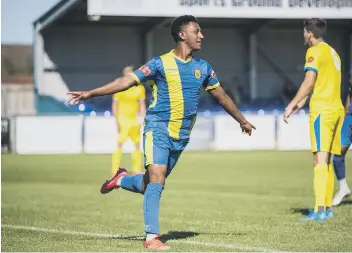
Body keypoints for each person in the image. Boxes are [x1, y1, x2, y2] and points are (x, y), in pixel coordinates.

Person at [67, 15, 256, 249]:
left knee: (150, 184)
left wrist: (243, 120)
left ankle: (121, 179)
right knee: (157, 177)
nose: (202, 36)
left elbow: (222, 97)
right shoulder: (159, 64)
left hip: (181, 136)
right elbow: (127, 81)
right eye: (197, 31)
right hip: (157, 128)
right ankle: (152, 238)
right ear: (182, 34)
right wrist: (90, 93)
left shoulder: (203, 67)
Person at [284, 18, 344, 221]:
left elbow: (309, 82)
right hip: (337, 109)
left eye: (304, 32)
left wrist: (292, 103)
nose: (303, 35)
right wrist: (301, 103)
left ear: (309, 32)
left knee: (318, 158)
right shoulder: (333, 52)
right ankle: (326, 208)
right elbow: (323, 82)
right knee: (326, 160)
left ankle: (319, 210)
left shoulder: (314, 51)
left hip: (322, 110)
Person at [111, 66, 146, 176]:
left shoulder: (139, 88)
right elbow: (115, 105)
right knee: (120, 144)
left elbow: (142, 104)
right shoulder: (119, 87)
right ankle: (115, 170)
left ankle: (136, 169)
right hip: (123, 119)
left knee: (137, 144)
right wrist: (116, 120)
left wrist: (141, 119)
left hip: (134, 120)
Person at [332, 71, 352, 206]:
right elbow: (350, 93)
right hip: (350, 118)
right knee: (338, 152)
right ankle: (343, 187)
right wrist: (345, 115)